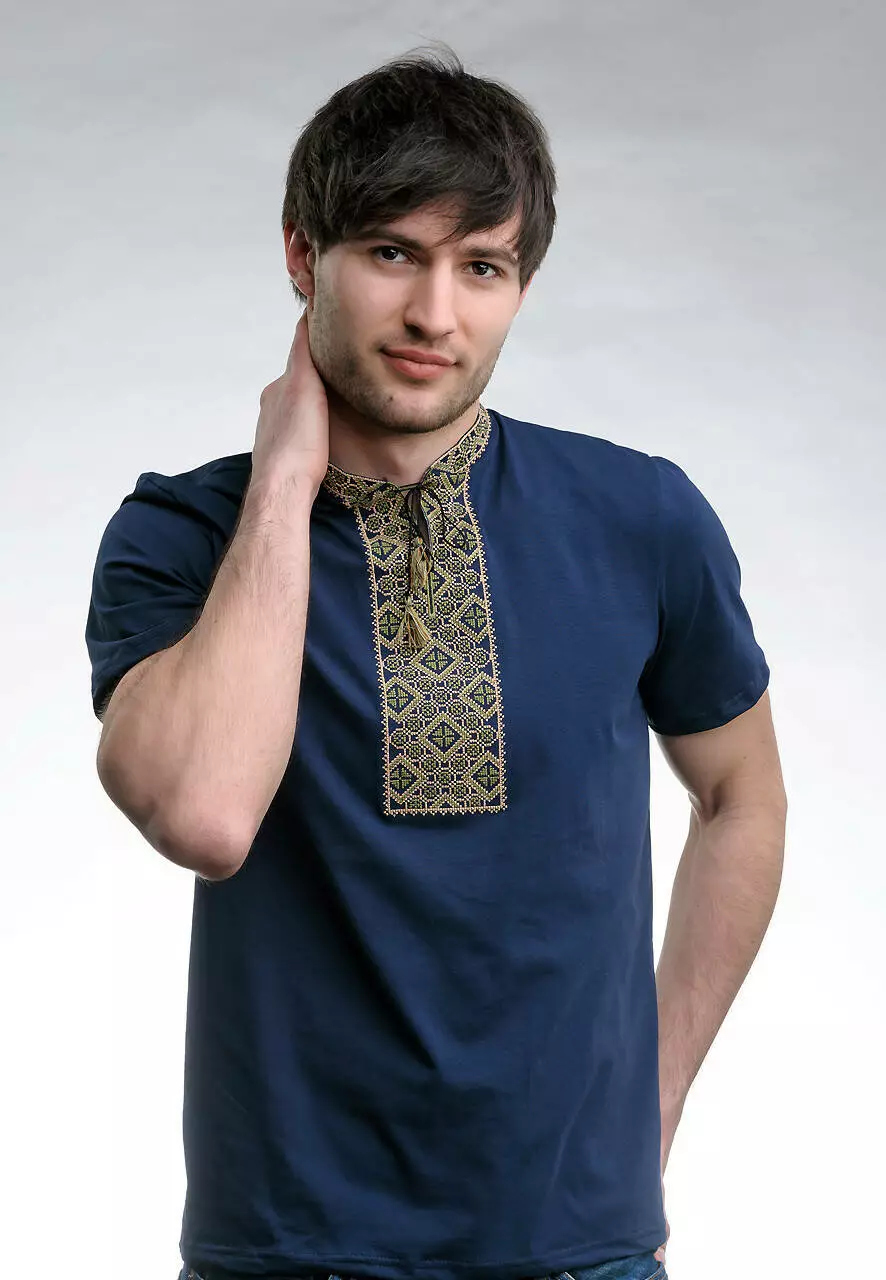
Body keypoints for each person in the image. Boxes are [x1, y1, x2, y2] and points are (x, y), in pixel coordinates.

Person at [85, 46, 787, 1280]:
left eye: (482, 267)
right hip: (288, 1250)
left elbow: (743, 796)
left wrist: (654, 1094)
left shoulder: (640, 517)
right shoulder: (183, 535)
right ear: (303, 254)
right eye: (392, 253)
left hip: (580, 1251)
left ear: (521, 286)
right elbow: (203, 814)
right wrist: (284, 480)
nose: (434, 315)